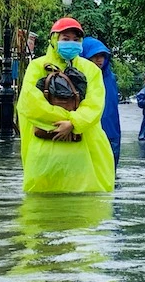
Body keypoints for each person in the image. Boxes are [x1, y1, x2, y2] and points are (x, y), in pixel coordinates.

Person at [16, 17, 115, 193]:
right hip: (45, 154)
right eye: (66, 39)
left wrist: (73, 123)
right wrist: (67, 122)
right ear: (54, 40)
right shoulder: (37, 66)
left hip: (84, 153)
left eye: (76, 40)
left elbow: (95, 104)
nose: (71, 43)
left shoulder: (90, 70)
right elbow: (29, 103)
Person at [81, 37, 122, 167]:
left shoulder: (111, 78)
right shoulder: (78, 79)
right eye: (95, 56)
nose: (99, 60)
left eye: (102, 56)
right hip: (87, 132)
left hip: (111, 132)